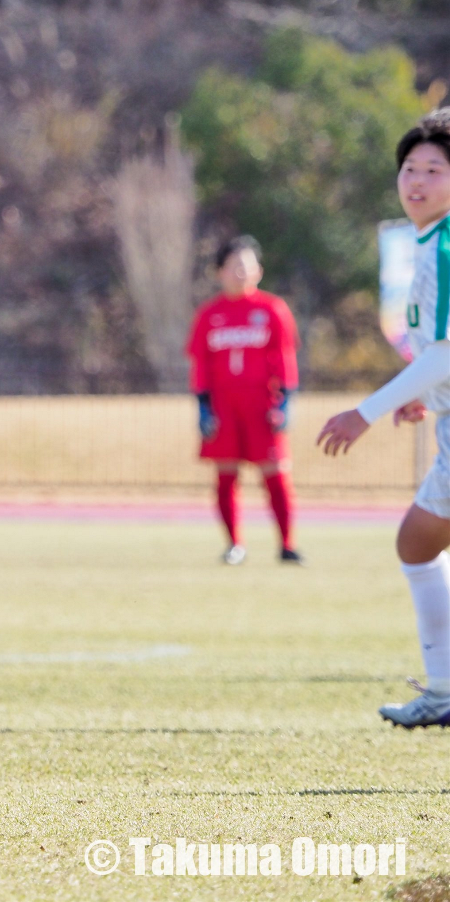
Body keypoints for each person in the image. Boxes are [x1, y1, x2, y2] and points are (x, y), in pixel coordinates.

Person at [317, 108, 450, 729]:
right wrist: (429, 395)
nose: (416, 179)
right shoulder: (432, 242)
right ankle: (445, 690)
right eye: (409, 167)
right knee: (418, 542)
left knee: (418, 544)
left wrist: (366, 412)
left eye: (434, 169)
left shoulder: (444, 246)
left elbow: (445, 351)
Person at [185, 235, 302, 565]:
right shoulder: (210, 314)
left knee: (276, 473)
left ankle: (287, 544)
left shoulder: (271, 309)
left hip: (263, 406)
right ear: (219, 272)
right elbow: (201, 364)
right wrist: (203, 407)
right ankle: (235, 544)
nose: (241, 272)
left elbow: (285, 358)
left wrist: (285, 402)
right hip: (224, 407)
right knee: (225, 475)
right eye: (234, 266)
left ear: (259, 271)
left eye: (247, 266)